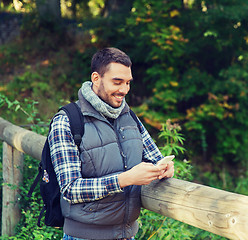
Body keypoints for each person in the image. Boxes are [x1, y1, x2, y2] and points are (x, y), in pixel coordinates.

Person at [48, 47, 175, 240]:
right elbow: (70, 189)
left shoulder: (129, 116)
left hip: (127, 235)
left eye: (127, 83)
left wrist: (164, 169)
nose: (124, 90)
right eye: (117, 82)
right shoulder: (66, 120)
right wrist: (125, 179)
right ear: (96, 78)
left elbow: (155, 158)